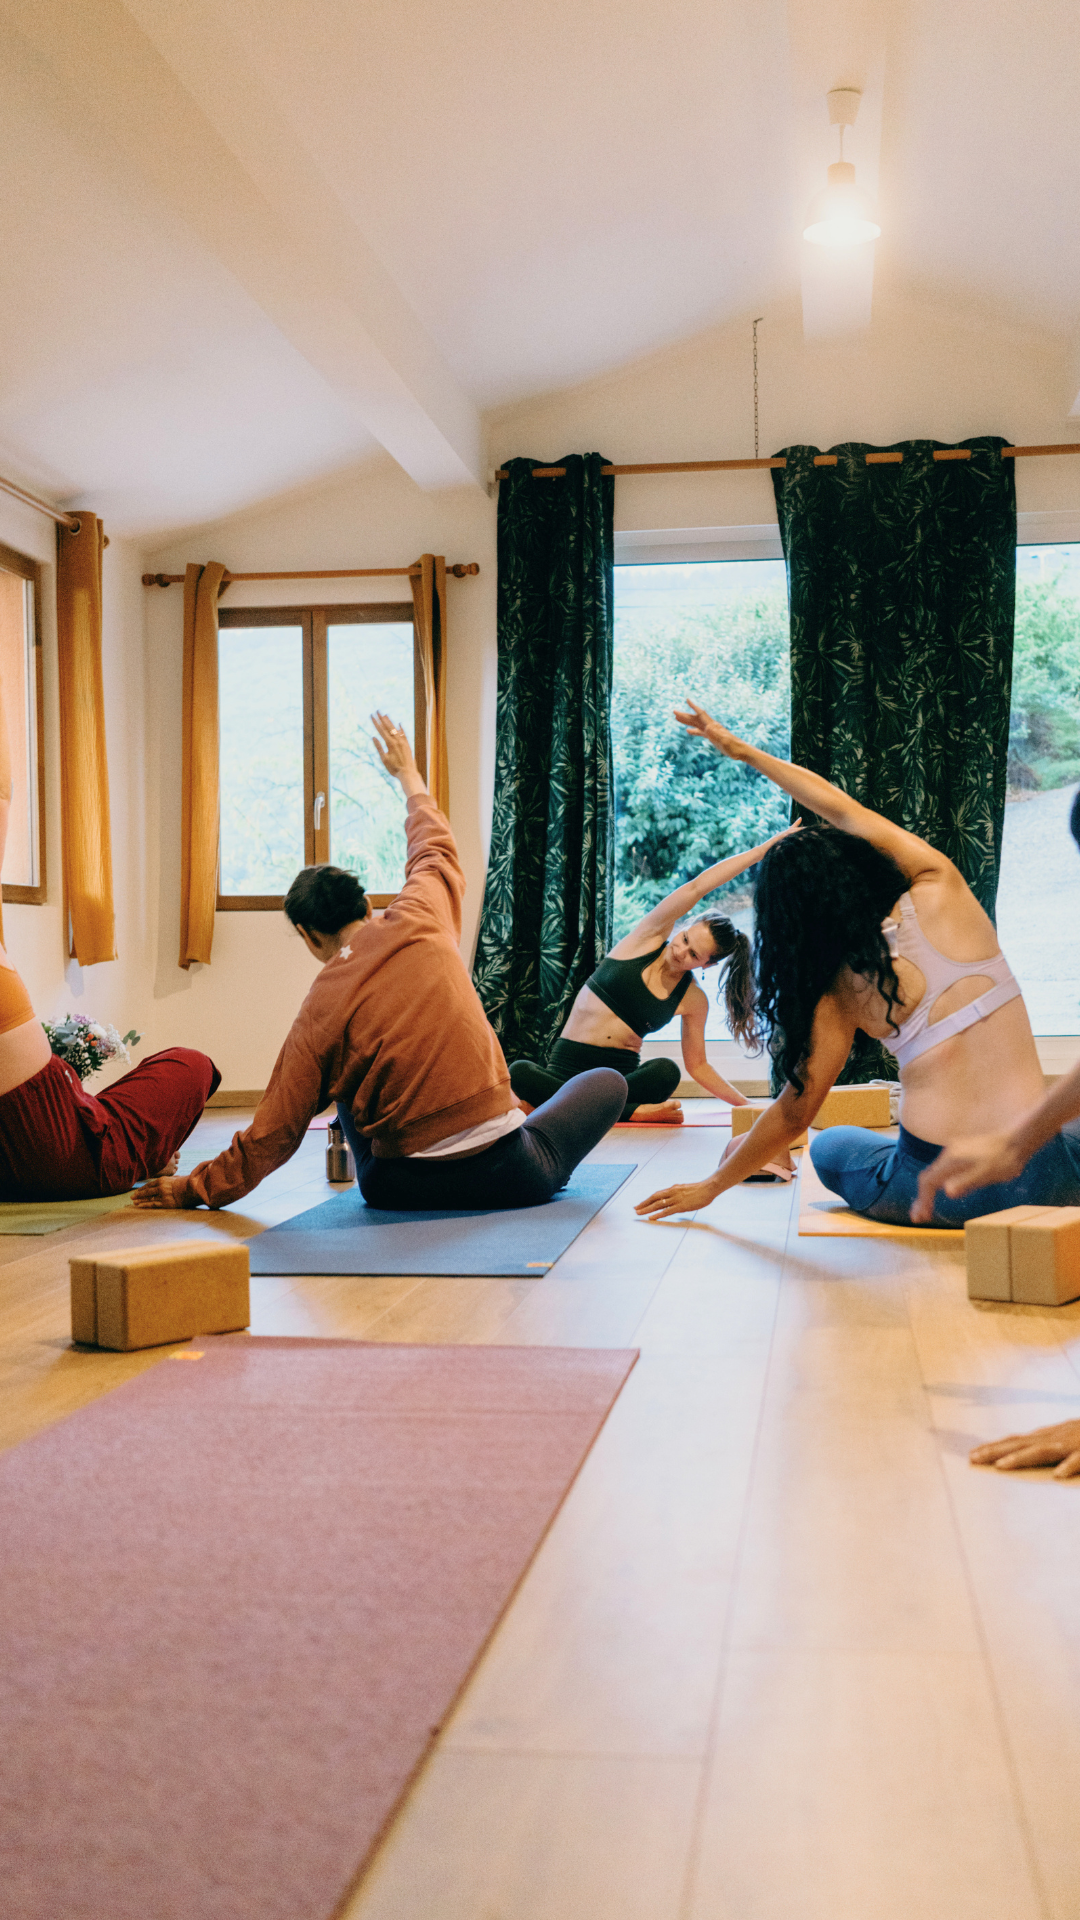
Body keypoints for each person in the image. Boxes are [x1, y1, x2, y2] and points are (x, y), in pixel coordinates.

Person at [134, 715, 626, 1215]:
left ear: (307, 936)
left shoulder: (320, 1007)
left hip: (398, 1189)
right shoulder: (421, 916)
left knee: (343, 1070)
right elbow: (433, 848)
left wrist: (194, 1189)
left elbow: (275, 1132)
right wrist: (406, 773)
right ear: (368, 907)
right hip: (512, 1174)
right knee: (606, 1081)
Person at [637, 699, 1075, 1226]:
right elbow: (844, 808)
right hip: (1045, 1171)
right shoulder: (942, 886)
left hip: (937, 1190)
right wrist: (742, 751)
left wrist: (709, 1189)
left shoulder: (836, 990)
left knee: (834, 1144)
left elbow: (795, 1112)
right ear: (856, 863)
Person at [509, 827, 799, 1130]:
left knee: (665, 1072)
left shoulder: (692, 999)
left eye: (694, 955)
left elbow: (698, 1066)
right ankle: (633, 1112)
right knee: (519, 1071)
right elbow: (697, 887)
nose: (680, 951)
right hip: (564, 1074)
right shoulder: (645, 939)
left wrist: (748, 1106)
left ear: (707, 964)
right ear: (685, 924)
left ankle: (569, 1108)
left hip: (619, 1082)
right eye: (685, 938)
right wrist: (761, 851)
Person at [0, 804, 217, 1205]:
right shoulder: (100, 1163)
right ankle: (141, 1146)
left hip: (48, 1136)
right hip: (63, 1149)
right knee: (192, 1062)